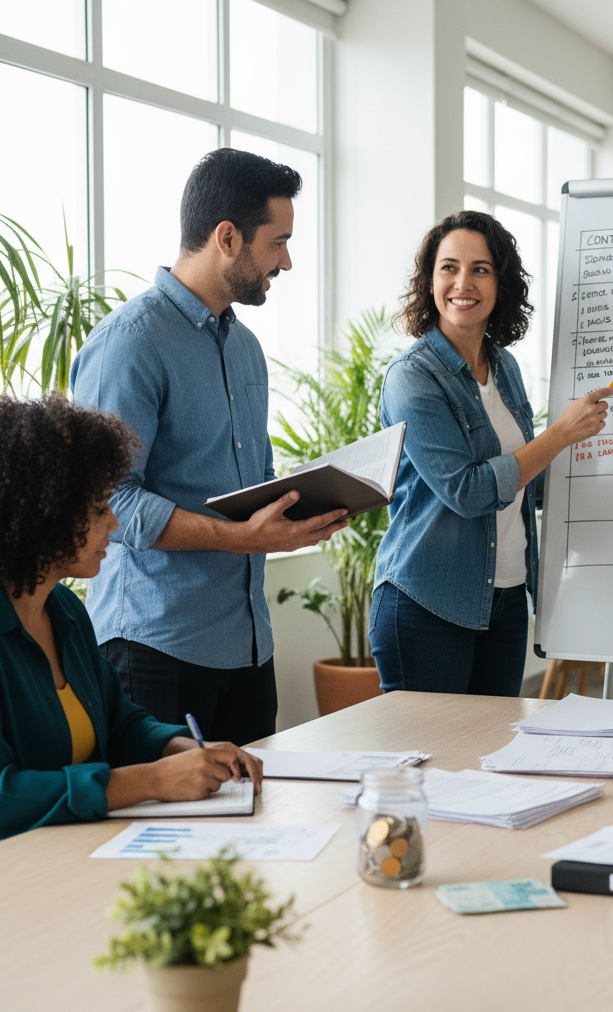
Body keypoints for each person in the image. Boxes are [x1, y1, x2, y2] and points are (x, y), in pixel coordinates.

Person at [70, 149, 348, 746]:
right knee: (166, 839)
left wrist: (298, 514)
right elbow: (107, 501)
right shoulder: (129, 344)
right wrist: (242, 538)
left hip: (247, 646)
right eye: (278, 242)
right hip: (154, 647)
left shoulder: (244, 347)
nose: (288, 261)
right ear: (227, 237)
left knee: (252, 829)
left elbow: (250, 482)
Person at [369, 210, 612, 696]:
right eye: (449, 268)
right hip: (427, 602)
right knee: (433, 766)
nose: (464, 283)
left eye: (481, 269)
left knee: (491, 762)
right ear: (430, 280)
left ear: (501, 284)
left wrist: (600, 463)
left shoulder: (505, 368)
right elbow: (468, 491)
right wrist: (559, 436)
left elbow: (526, 482)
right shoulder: (412, 377)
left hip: (504, 598)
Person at [0, 394, 263, 840]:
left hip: (79, 851)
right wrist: (152, 780)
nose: (114, 525)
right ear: (45, 513)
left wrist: (183, 747)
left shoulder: (65, 612)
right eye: (100, 508)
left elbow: (121, 724)